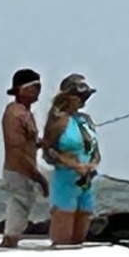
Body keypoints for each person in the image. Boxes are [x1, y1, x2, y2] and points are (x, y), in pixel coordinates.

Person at [42, 73, 101, 246]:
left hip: (87, 182)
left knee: (80, 235)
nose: (84, 100)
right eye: (80, 96)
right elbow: (48, 153)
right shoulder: (58, 121)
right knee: (63, 237)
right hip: (65, 182)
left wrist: (92, 164)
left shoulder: (86, 121)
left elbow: (96, 151)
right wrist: (72, 165)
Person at [0, 69, 46, 246]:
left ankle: (12, 239)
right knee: (19, 205)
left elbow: (28, 142)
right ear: (21, 89)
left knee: (23, 204)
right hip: (18, 169)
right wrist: (38, 176)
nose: (37, 92)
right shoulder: (15, 114)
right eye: (34, 88)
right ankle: (9, 241)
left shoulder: (25, 113)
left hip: (25, 169)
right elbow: (16, 149)